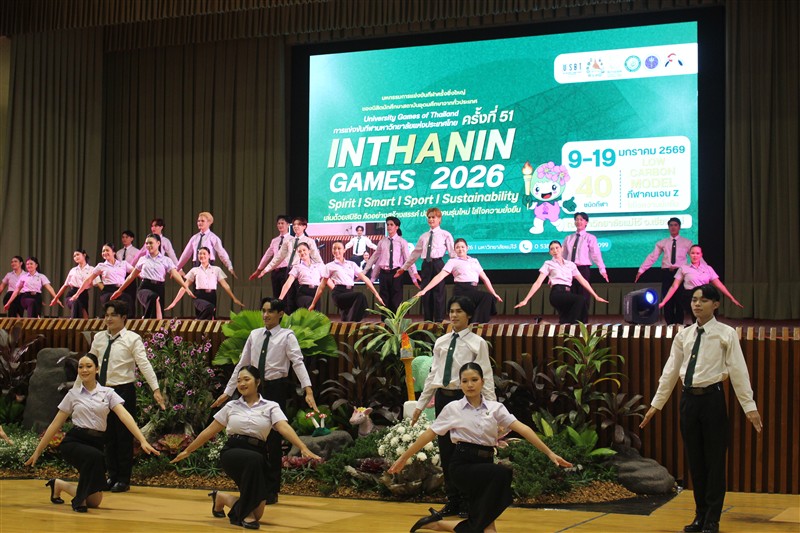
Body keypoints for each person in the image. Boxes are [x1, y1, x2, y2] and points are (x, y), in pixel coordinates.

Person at [390, 362, 572, 533]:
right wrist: (404, 457)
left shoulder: (495, 408)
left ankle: (436, 524)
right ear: (460, 384)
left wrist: (550, 453)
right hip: (463, 466)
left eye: (474, 380)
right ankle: (444, 523)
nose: (470, 385)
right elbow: (429, 434)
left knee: (484, 527)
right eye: (465, 381)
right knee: (501, 473)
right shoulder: (453, 408)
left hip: (485, 464)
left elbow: (523, 429)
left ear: (482, 382)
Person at [640, 284, 762, 533]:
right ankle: (700, 515)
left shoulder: (726, 333)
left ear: (715, 304)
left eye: (704, 300)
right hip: (689, 401)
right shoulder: (683, 336)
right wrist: (656, 404)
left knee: (715, 462)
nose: (697, 304)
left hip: (712, 400)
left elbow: (739, 371)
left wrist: (749, 407)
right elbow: (670, 371)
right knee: (695, 461)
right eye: (694, 299)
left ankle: (712, 519)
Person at [174, 366, 320, 529]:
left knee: (257, 514)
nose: (242, 383)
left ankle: (222, 498)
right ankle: (243, 513)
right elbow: (209, 431)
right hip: (233, 452)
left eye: (246, 379)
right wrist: (188, 450)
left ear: (257, 382)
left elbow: (283, 427)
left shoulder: (271, 406)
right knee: (254, 461)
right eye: (239, 381)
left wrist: (302, 447)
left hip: (257, 454)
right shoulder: (231, 406)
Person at [211, 298, 319, 504]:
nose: (265, 315)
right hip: (253, 387)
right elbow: (242, 364)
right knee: (251, 436)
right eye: (263, 311)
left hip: (275, 387)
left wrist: (308, 390)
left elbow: (297, 362)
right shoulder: (255, 334)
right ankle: (252, 486)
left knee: (273, 440)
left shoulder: (287, 336)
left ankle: (271, 490)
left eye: (270, 311)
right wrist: (228, 392)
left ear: (280, 314)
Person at [25, 353, 159, 512]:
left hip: (96, 444)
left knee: (94, 501)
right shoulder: (73, 394)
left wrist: (142, 440)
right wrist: (38, 450)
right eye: (81, 367)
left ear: (97, 369)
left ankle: (59, 485)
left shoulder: (108, 393)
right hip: (74, 442)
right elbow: (55, 424)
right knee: (94, 457)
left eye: (88, 366)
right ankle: (79, 502)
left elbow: (125, 416)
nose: (84, 370)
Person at [411, 296, 496, 519]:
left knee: (465, 451)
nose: (454, 315)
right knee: (446, 451)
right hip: (443, 398)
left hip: (465, 399)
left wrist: (492, 408)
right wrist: (420, 405)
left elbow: (486, 375)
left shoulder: (477, 343)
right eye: (451, 311)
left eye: (459, 311)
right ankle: (453, 501)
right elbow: (433, 376)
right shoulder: (441, 342)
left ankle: (468, 501)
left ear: (469, 315)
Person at [86, 300, 166, 493]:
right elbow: (89, 363)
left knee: (123, 436)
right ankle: (111, 476)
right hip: (102, 391)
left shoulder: (132, 339)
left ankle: (123, 479)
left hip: (123, 391)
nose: (108, 319)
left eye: (113, 315)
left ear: (123, 317)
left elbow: (144, 364)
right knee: (107, 436)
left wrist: (155, 389)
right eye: (106, 315)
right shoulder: (99, 338)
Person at [515, 240, 609, 324]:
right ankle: (575, 327)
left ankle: (542, 323)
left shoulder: (570, 264)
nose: (555, 250)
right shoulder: (548, 264)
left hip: (568, 293)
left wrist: (596, 296)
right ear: (550, 252)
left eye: (557, 248)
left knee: (565, 320)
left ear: (562, 249)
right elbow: (538, 283)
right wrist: (525, 300)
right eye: (552, 249)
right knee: (580, 299)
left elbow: (583, 281)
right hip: (557, 294)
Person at [417, 238, 501, 324]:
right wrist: (424, 290)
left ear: (467, 248)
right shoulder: (453, 261)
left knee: (492, 298)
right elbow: (440, 276)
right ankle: (474, 323)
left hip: (474, 290)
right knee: (487, 297)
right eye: (457, 247)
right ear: (454, 250)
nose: (460, 249)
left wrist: (494, 293)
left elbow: (485, 279)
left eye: (462, 247)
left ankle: (472, 322)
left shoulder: (474, 261)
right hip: (462, 290)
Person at [112, 233, 195, 319]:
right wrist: (120, 290)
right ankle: (146, 320)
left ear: (158, 243)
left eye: (151, 243)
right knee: (153, 297)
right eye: (146, 243)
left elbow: (175, 274)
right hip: (145, 287)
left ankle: (149, 322)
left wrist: (185, 287)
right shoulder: (143, 259)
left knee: (157, 316)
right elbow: (131, 276)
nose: (148, 245)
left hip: (159, 288)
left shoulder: (166, 260)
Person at [396, 207, 455, 322]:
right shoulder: (423, 236)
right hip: (426, 265)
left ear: (439, 219)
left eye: (433, 217)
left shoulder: (445, 234)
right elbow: (415, 253)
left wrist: (458, 267)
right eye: (429, 217)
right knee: (425, 293)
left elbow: (452, 253)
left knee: (439, 292)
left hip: (438, 264)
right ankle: (427, 319)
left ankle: (439, 320)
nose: (431, 219)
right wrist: (404, 268)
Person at [659, 244, 743, 322]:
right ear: (689, 254)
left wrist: (731, 298)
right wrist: (664, 302)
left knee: (710, 315)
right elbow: (674, 286)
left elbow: (719, 284)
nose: (695, 255)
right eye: (692, 253)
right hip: (690, 296)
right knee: (698, 316)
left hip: (705, 295)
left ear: (701, 255)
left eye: (697, 253)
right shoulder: (683, 268)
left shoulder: (708, 268)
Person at [257, 217, 323, 313]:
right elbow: (278, 257)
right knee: (289, 299)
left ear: (304, 226)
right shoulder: (288, 241)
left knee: (300, 300)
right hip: (290, 270)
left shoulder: (309, 241)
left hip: (302, 272)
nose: (296, 226)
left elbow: (317, 259)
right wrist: (266, 269)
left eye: (299, 224)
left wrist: (325, 273)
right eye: (294, 224)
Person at [635, 217, 693, 325]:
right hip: (667, 273)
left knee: (680, 299)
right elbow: (653, 257)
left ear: (679, 227)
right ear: (668, 227)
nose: (673, 227)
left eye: (675, 225)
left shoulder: (687, 242)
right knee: (667, 299)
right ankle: (669, 324)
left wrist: (704, 269)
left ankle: (679, 324)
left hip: (681, 273)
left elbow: (695, 257)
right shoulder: (663, 243)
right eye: (671, 225)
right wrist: (641, 269)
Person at [308, 241, 384, 322]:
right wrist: (313, 303)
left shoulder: (351, 264)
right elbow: (321, 286)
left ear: (344, 250)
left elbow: (365, 279)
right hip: (338, 294)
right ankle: (353, 322)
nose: (336, 251)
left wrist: (377, 295)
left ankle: (349, 324)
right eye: (334, 248)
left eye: (339, 248)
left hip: (350, 293)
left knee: (346, 318)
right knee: (360, 296)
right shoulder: (329, 266)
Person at [165, 246, 244, 319]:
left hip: (212, 296)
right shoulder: (194, 270)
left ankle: (198, 324)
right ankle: (197, 322)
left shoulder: (216, 269)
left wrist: (234, 298)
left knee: (210, 318)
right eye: (200, 254)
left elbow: (225, 285)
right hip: (199, 296)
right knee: (209, 308)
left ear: (209, 255)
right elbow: (184, 287)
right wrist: (174, 303)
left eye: (204, 253)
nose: (202, 255)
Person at [362, 216, 419, 314]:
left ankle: (395, 321)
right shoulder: (382, 242)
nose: (389, 227)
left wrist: (414, 275)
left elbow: (408, 260)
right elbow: (375, 259)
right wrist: (369, 276)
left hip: (396, 273)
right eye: (387, 224)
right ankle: (385, 321)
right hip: (384, 274)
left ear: (397, 227)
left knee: (396, 299)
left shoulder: (402, 242)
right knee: (384, 299)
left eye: (391, 225)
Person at [562, 212, 609, 323]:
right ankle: (571, 321)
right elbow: (562, 256)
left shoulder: (590, 238)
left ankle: (582, 322)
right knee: (570, 295)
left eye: (581, 219)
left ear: (586, 222)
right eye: (577, 219)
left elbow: (596, 254)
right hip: (569, 270)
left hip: (582, 269)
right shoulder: (568, 238)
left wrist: (602, 269)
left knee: (583, 295)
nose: (578, 221)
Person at [70, 243, 135, 315]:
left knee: (127, 300)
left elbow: (136, 272)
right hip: (108, 291)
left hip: (121, 289)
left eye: (107, 250)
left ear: (114, 252)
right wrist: (77, 294)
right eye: (103, 251)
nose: (104, 252)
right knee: (115, 301)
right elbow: (89, 280)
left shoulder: (123, 264)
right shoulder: (101, 265)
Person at [176, 211, 237, 278]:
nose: (200, 223)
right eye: (198, 221)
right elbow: (186, 254)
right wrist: (177, 268)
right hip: (196, 265)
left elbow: (221, 252)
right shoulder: (194, 238)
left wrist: (229, 266)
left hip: (208, 265)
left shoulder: (213, 237)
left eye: (202, 221)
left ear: (209, 222)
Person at [249, 215, 292, 298]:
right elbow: (267, 255)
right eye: (278, 223)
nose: (280, 225)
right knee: (276, 296)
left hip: (286, 270)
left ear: (287, 225)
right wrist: (259, 270)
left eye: (282, 223)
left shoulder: (292, 239)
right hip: (275, 271)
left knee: (286, 296)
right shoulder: (274, 241)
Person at [277, 242, 329, 310]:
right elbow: (288, 283)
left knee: (316, 313)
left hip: (316, 292)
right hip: (303, 293)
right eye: (299, 251)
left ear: (309, 251)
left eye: (304, 250)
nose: (302, 252)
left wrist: (336, 290)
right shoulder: (297, 267)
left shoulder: (318, 266)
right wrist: (280, 300)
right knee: (310, 303)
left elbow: (327, 280)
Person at [51, 249, 94, 318]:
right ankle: (73, 321)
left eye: (77, 255)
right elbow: (65, 285)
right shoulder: (73, 270)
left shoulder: (91, 269)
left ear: (84, 255)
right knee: (75, 303)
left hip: (84, 295)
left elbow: (97, 283)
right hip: (72, 294)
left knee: (84, 316)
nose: (76, 257)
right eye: (74, 256)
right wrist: (56, 298)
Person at [117, 230, 140, 313]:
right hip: (120, 277)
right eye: (123, 237)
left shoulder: (137, 252)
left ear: (132, 238)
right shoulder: (118, 252)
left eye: (126, 237)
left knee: (130, 297)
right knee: (121, 298)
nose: (124, 239)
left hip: (131, 275)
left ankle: (131, 316)